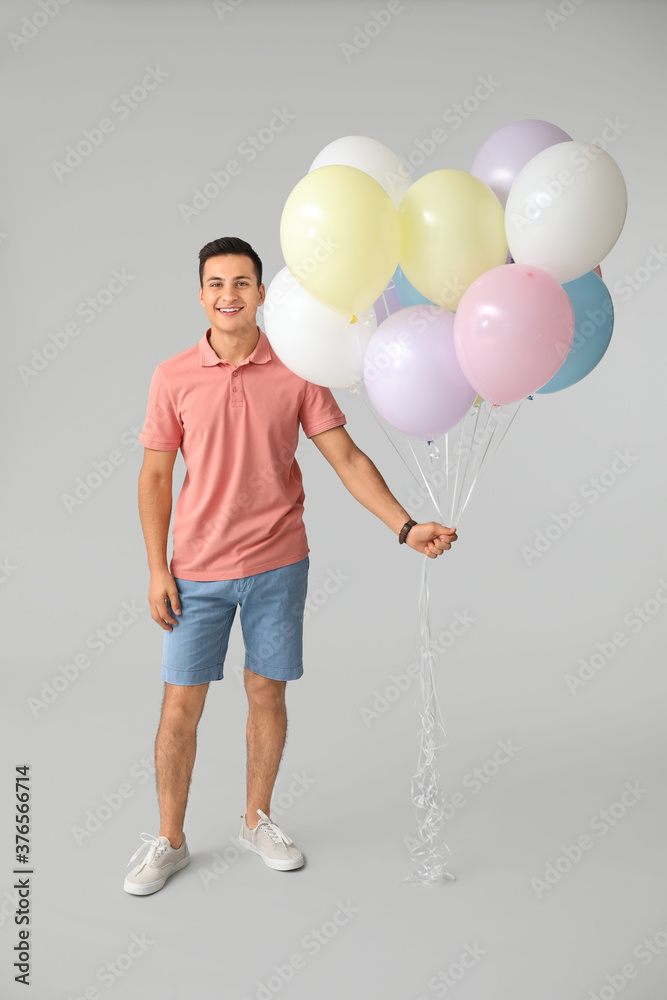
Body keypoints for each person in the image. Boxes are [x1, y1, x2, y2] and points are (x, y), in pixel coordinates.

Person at [123, 236, 458, 895]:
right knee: (179, 708)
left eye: (242, 283)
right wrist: (157, 570)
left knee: (266, 692)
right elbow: (155, 477)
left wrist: (405, 526)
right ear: (200, 295)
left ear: (261, 294)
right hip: (196, 570)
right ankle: (169, 839)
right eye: (216, 283)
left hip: (279, 563)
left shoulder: (297, 369)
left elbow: (347, 459)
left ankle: (256, 820)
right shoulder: (172, 375)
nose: (229, 294)